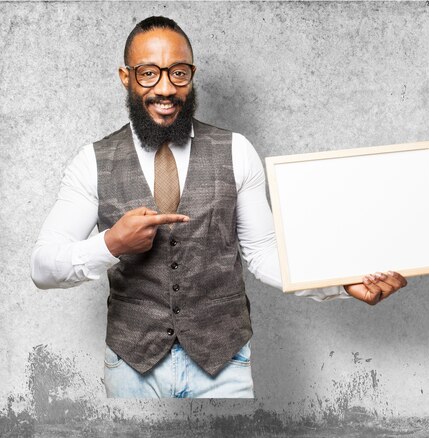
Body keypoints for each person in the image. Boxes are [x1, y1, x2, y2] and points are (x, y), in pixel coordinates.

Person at [31, 16, 407, 398]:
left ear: (191, 75)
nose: (166, 88)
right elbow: (43, 267)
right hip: (131, 367)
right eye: (148, 73)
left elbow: (263, 254)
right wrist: (110, 244)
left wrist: (341, 282)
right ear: (126, 77)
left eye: (178, 73)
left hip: (224, 365)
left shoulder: (237, 150)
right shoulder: (91, 162)